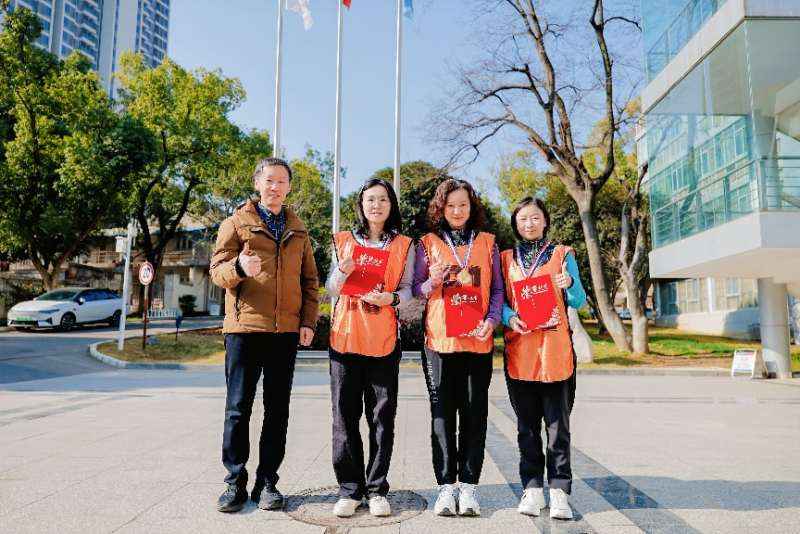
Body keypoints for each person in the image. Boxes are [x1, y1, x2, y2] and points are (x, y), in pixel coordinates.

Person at [210, 157, 319, 513]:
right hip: (244, 330)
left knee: (277, 410)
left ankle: (267, 481)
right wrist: (239, 267)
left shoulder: (298, 230)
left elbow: (309, 281)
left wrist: (308, 321)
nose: (275, 187)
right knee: (238, 409)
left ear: (289, 187)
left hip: (284, 333)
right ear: (258, 184)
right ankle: (234, 482)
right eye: (269, 180)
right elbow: (217, 272)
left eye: (282, 181)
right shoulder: (236, 223)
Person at [412, 179, 505, 517]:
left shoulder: (488, 243)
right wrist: (433, 280)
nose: (456, 210)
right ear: (441, 208)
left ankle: (468, 488)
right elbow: (417, 289)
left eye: (463, 204)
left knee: (474, 415)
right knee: (442, 416)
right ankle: (445, 488)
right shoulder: (428, 244)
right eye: (450, 205)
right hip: (440, 342)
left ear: (472, 207)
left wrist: (492, 320)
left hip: (478, 340)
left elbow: (498, 290)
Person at [325, 178, 415, 518]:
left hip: (383, 340)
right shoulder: (343, 242)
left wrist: (390, 298)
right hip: (345, 337)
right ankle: (350, 489)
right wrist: (342, 272)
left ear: (391, 206)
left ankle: (377, 489)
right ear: (361, 205)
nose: (376, 205)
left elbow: (409, 289)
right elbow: (331, 288)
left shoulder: (404, 245)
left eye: (383, 200)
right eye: (370, 200)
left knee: (381, 417)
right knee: (344, 416)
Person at [499, 197, 586, 520]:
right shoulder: (505, 259)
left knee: (557, 428)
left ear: (545, 220)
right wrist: (509, 317)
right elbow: (499, 300)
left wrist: (570, 283)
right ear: (515, 224)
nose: (529, 224)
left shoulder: (563, 255)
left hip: (555, 352)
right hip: (521, 351)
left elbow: (579, 300)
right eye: (523, 219)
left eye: (535, 217)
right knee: (527, 428)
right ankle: (533, 489)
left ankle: (560, 492)